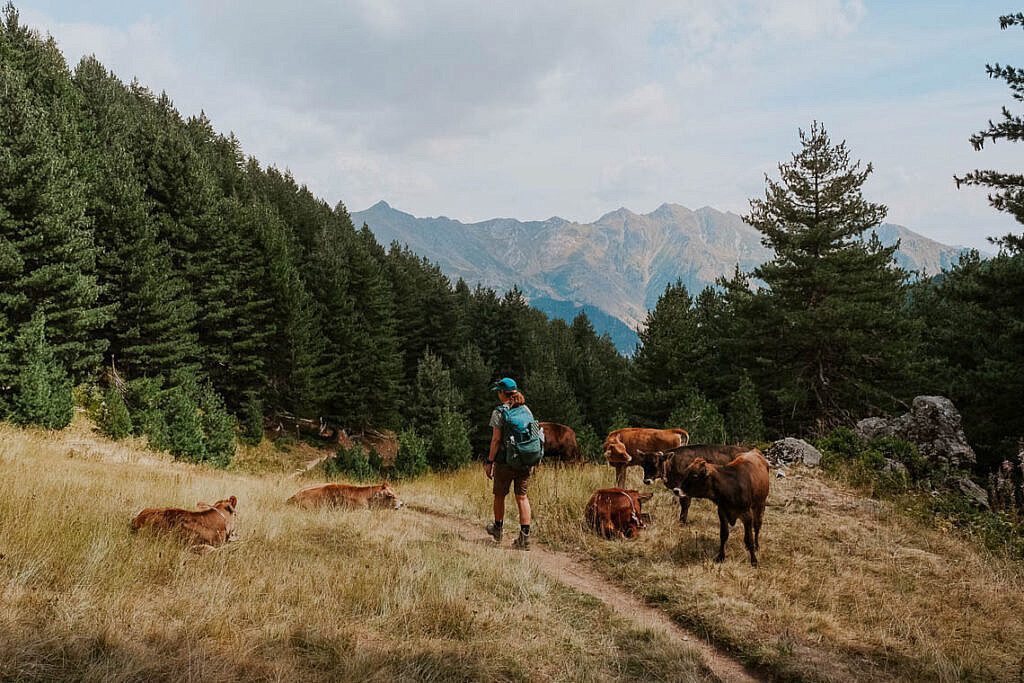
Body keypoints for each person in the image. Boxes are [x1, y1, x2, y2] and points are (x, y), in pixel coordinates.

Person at [483, 377, 536, 550]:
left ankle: (498, 529)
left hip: (505, 462)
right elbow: (533, 433)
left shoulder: (499, 412)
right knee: (522, 497)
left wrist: (489, 461)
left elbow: (496, 440)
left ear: (502, 393)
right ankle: (525, 538)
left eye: (498, 391)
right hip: (525, 461)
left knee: (499, 495)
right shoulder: (526, 409)